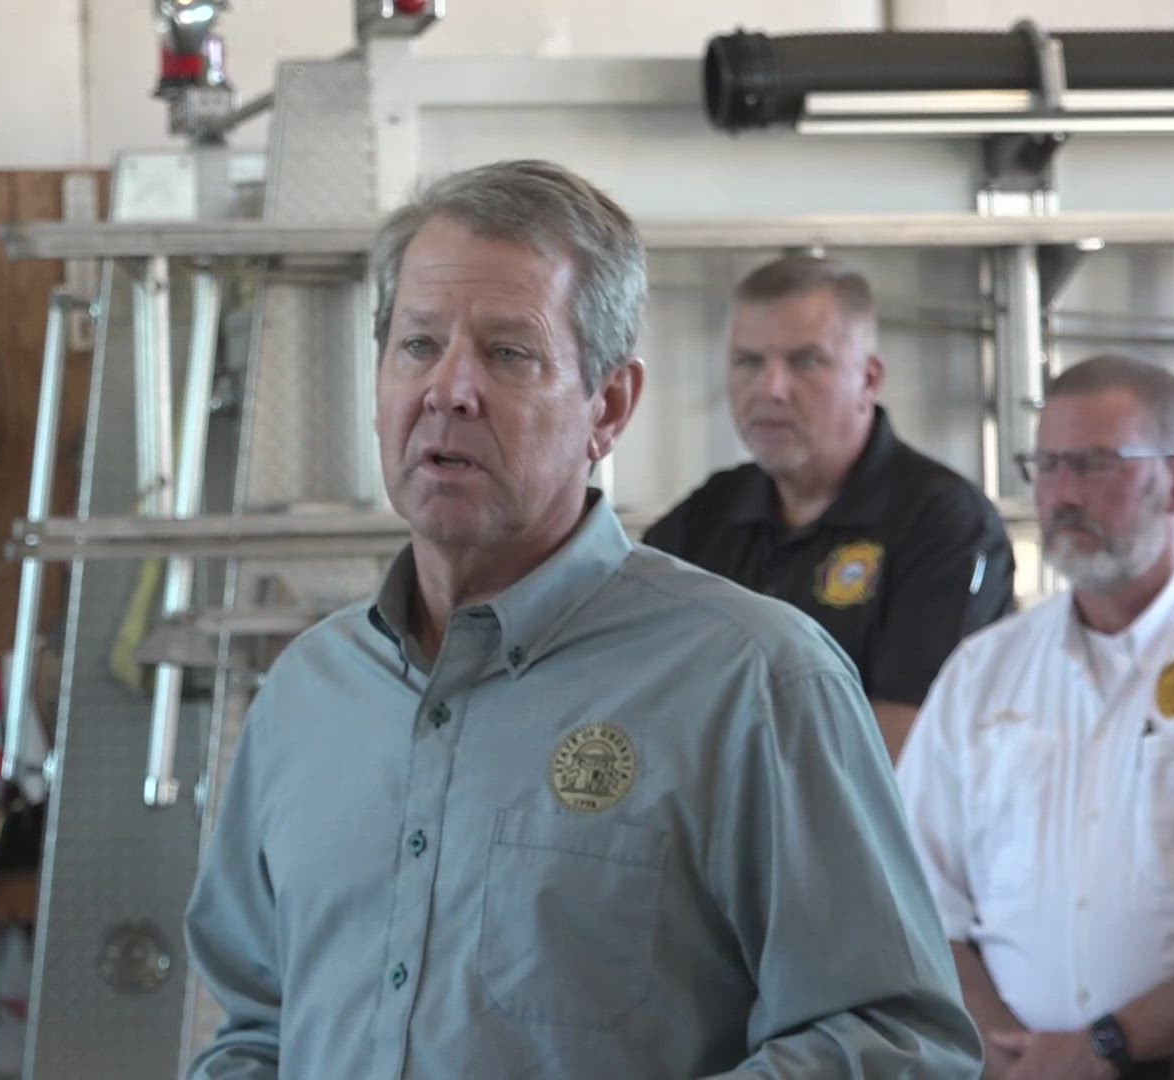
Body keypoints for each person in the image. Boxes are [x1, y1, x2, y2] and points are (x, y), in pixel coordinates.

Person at [184, 160, 981, 1078]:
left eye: (509, 353)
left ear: (609, 406)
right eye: (418, 345)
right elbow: (257, 1028)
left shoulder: (753, 682)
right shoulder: (308, 695)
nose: (449, 389)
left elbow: (893, 1044)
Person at [899, 356, 1174, 1080]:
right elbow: (918, 898)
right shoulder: (982, 672)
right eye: (1047, 465)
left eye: (1095, 465)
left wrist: (1108, 1043)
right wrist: (1013, 1048)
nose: (1063, 495)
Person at [644, 255, 1015, 761]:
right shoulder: (707, 515)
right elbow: (636, 689)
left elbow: (903, 746)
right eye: (749, 362)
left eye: (805, 361)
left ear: (868, 379)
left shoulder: (941, 520)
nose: (771, 389)